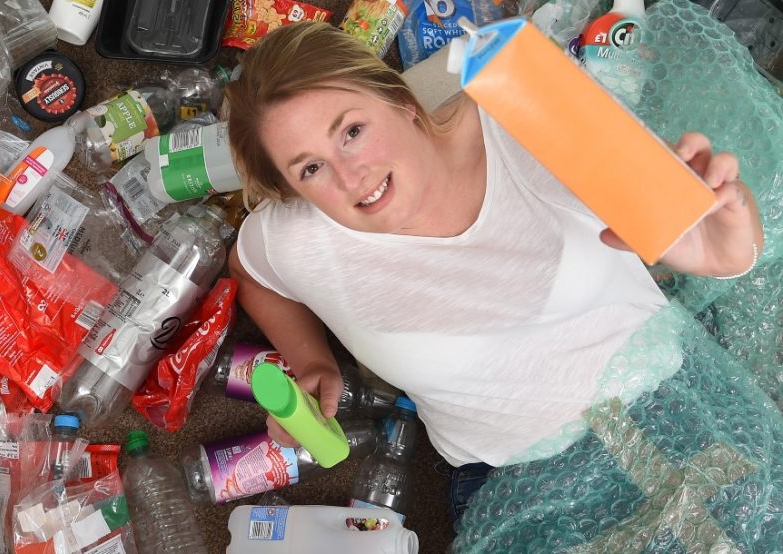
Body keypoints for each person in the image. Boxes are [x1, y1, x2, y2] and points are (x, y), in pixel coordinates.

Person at [224, 21, 769, 547]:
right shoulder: (298, 238)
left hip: (674, 402)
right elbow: (250, 272)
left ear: (402, 101)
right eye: (309, 169)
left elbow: (709, 244)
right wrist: (311, 360)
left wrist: (725, 252)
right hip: (517, 485)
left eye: (352, 131)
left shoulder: (533, 120)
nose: (349, 176)